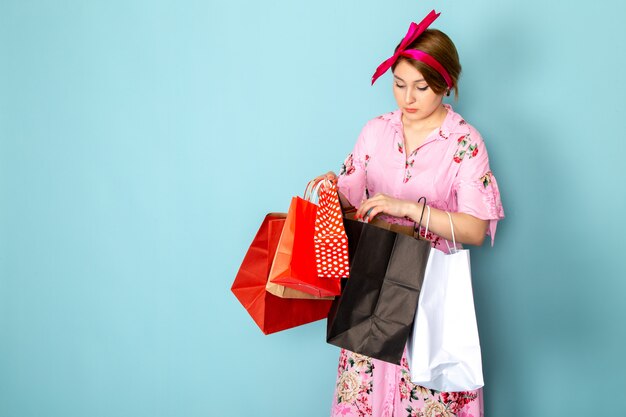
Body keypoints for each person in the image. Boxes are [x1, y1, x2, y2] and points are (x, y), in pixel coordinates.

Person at [319, 10, 505, 417]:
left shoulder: (465, 143)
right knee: (367, 397)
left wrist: (406, 207)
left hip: (431, 294)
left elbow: (474, 229)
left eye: (421, 87)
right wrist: (328, 189)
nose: (408, 98)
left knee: (426, 394)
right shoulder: (375, 131)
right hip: (373, 286)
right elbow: (350, 207)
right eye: (399, 84)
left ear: (447, 85)